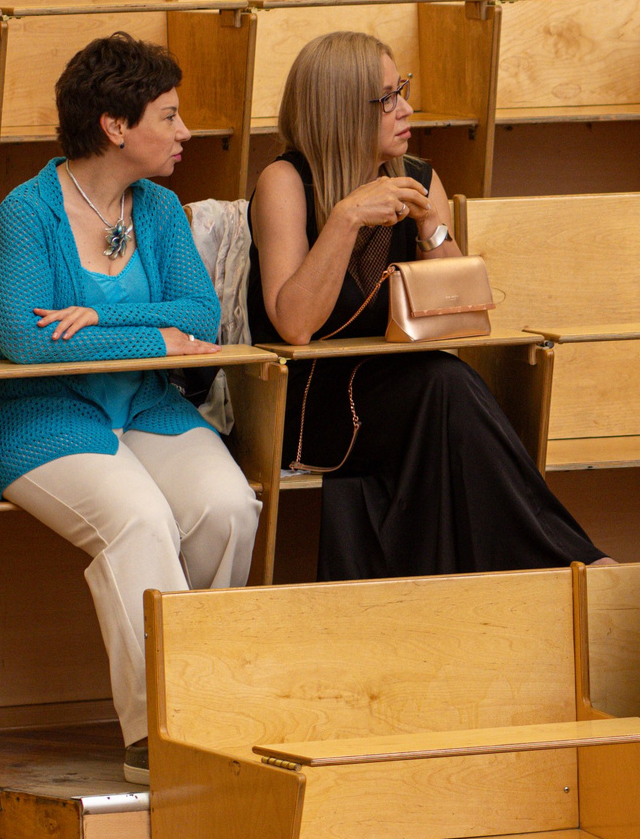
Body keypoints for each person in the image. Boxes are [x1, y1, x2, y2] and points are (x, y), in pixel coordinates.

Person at [0, 33, 259, 784]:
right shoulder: (27, 212)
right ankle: (156, 736)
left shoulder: (160, 209)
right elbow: (26, 342)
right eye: (167, 116)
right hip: (40, 414)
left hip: (143, 404)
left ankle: (190, 695)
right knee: (140, 519)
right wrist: (154, 332)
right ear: (114, 126)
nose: (184, 132)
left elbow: (199, 316)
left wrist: (100, 322)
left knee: (229, 506)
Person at [248, 31, 605, 578]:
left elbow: (461, 318)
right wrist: (346, 218)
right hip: (317, 400)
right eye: (387, 98)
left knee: (448, 381)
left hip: (409, 388)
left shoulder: (418, 179)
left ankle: (541, 569)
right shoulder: (286, 182)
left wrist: (432, 227)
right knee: (448, 387)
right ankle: (565, 561)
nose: (406, 109)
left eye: (402, 90)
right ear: (342, 110)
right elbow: (295, 325)